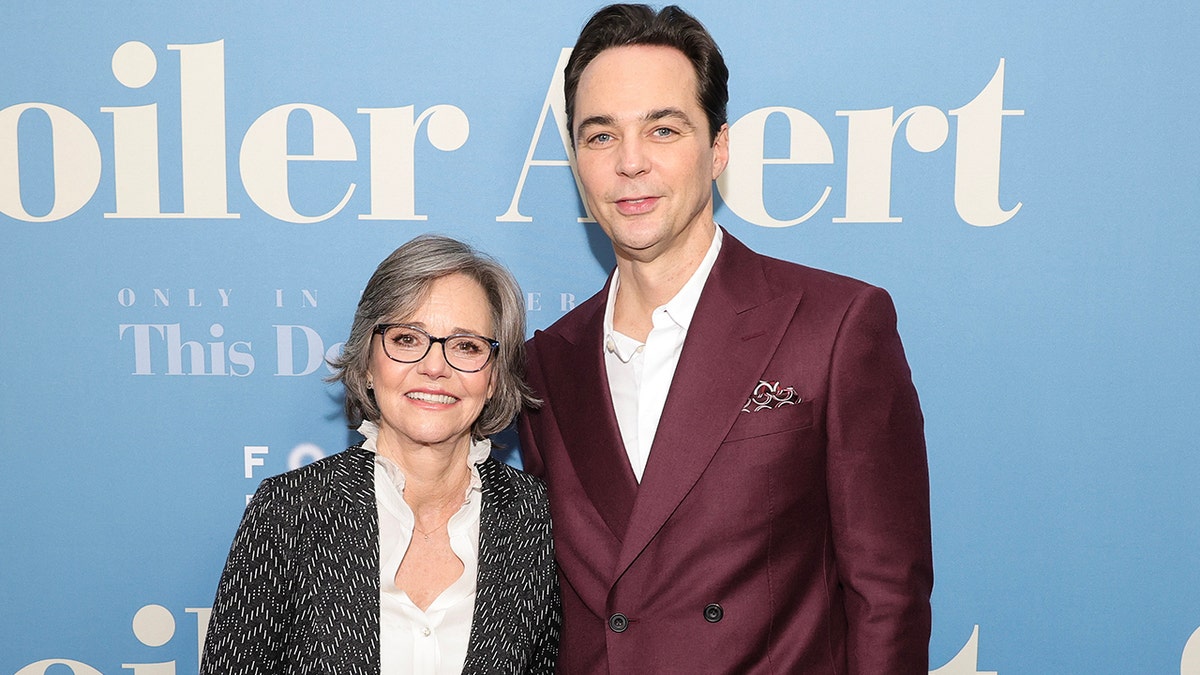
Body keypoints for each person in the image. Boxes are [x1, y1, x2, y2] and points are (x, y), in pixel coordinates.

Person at [518, 4, 932, 673]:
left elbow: (887, 596)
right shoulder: (547, 363)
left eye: (662, 129)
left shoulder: (834, 325)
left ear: (718, 148)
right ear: (575, 163)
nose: (630, 162)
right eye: (600, 136)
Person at [201, 235, 560, 674]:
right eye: (408, 339)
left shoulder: (534, 518)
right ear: (369, 364)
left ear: (493, 378)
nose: (435, 366)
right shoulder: (290, 512)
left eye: (466, 346)